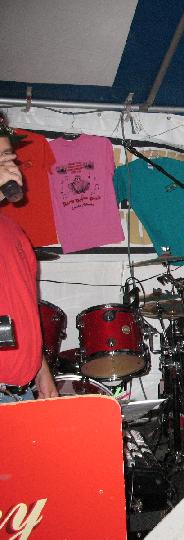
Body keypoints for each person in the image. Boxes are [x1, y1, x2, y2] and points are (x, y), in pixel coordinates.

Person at [0, 120, 58, 403]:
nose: (12, 166)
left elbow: (24, 308)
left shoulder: (12, 230)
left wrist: (41, 370)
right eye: (1, 158)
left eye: (9, 157)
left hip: (19, 389)